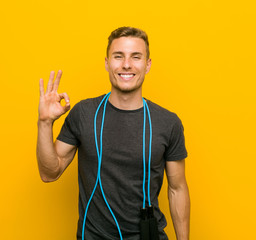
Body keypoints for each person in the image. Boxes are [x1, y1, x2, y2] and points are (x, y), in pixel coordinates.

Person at [36, 26, 190, 240]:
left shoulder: (168, 123)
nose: (126, 64)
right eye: (118, 56)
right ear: (107, 63)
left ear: (147, 65)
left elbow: (177, 189)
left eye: (136, 57)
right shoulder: (84, 114)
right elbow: (49, 173)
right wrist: (44, 123)